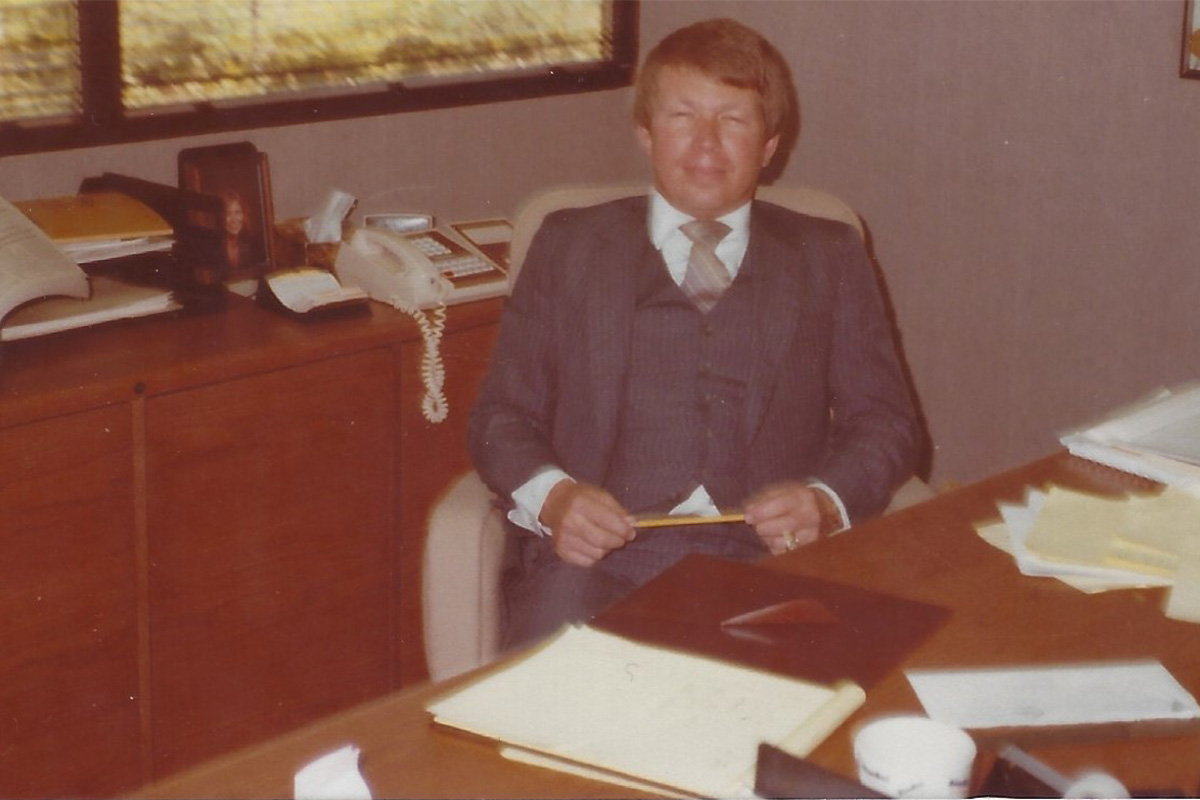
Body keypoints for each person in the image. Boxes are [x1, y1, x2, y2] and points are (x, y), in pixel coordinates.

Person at [469, 18, 921, 650]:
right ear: (645, 132)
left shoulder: (828, 255)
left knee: (809, 696)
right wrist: (557, 499)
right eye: (683, 115)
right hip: (595, 564)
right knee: (555, 694)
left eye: (733, 119)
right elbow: (501, 416)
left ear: (769, 145)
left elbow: (886, 422)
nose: (706, 143)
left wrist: (824, 500)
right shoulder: (569, 246)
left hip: (772, 562)